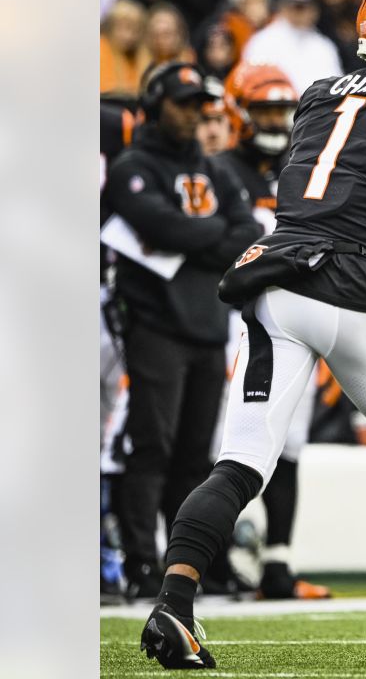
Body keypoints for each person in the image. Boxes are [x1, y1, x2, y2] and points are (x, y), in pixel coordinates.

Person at [138, 0, 366, 667]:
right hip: (359, 283)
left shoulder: (319, 91)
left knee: (243, 459)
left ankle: (173, 606)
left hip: (278, 273)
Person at [104, 62, 262, 601]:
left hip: (206, 321)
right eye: (183, 103)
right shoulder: (133, 164)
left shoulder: (215, 169)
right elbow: (158, 224)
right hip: (152, 322)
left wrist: (194, 237)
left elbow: (245, 233)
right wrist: (208, 236)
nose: (194, 114)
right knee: (152, 446)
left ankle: (190, 567)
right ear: (154, 104)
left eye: (200, 105)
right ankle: (141, 562)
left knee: (198, 454)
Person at [218, 62, 331, 600]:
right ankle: (214, 558)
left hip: (293, 318)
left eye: (280, 110)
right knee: (230, 440)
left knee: (290, 444)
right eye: (262, 109)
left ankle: (279, 564)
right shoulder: (221, 170)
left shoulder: (303, 167)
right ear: (241, 111)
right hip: (232, 318)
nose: (273, 120)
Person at [241, 0, 343, 96]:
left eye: (307, 6)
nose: (303, 13)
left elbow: (337, 89)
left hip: (314, 112)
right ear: (282, 7)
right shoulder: (261, 42)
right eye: (297, 7)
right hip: (274, 110)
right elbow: (250, 86)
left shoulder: (324, 46)